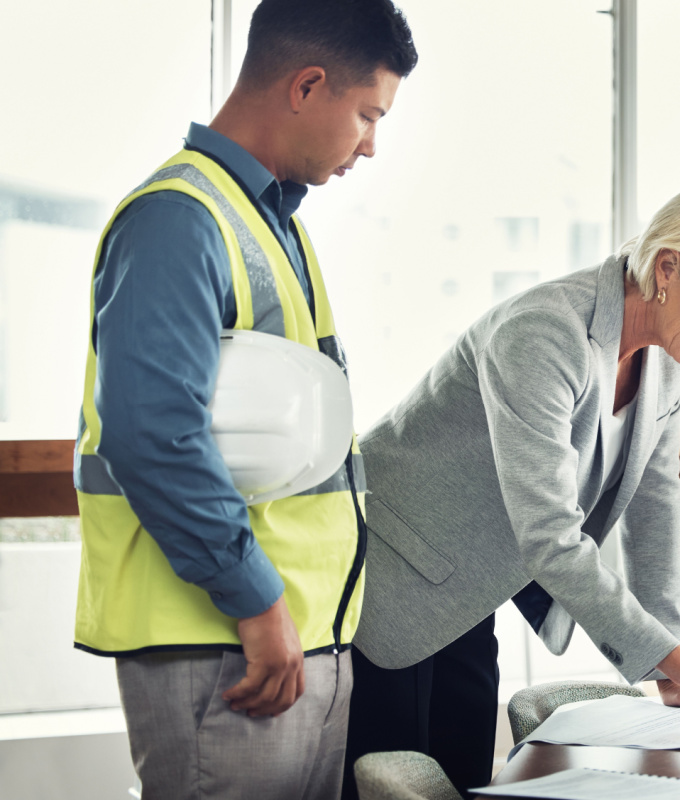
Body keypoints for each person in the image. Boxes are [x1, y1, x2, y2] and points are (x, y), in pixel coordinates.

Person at [344, 178, 680, 795]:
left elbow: (655, 516)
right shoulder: (545, 332)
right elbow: (551, 535)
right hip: (394, 579)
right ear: (667, 267)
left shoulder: (667, 359)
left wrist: (674, 667)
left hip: (473, 590)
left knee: (462, 775)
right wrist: (679, 665)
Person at [71, 2, 416, 797]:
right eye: (367, 115)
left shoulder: (272, 222)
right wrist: (258, 603)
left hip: (293, 637)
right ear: (306, 86)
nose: (370, 144)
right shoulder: (179, 221)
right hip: (226, 636)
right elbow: (154, 435)